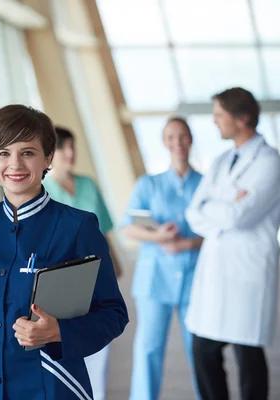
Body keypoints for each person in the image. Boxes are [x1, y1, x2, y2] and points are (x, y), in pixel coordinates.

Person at [0, 104, 128, 400]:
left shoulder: (78, 228)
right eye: (3, 153)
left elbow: (113, 313)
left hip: (54, 386)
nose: (15, 164)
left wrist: (59, 333)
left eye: (27, 152)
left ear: (48, 158)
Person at [185, 87, 280, 400]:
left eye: (219, 116)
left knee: (247, 353)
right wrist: (227, 200)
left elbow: (241, 217)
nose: (215, 123)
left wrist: (216, 202)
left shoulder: (269, 161)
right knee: (202, 349)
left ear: (241, 119)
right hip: (216, 270)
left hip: (247, 269)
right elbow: (192, 212)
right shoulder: (222, 159)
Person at [119, 117, 203, 400]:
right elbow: (127, 227)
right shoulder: (148, 185)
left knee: (200, 350)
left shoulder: (206, 184)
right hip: (155, 280)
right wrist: (159, 237)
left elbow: (218, 231)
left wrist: (188, 243)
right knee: (149, 348)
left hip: (196, 278)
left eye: (183, 136)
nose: (178, 142)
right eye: (171, 137)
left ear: (191, 139)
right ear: (164, 143)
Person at [43, 126, 121, 400]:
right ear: (50, 153)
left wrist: (116, 266)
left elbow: (104, 229)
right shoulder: (42, 192)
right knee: (67, 348)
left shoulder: (87, 184)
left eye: (73, 146)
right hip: (61, 282)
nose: (70, 153)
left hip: (96, 274)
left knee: (99, 348)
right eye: (64, 147)